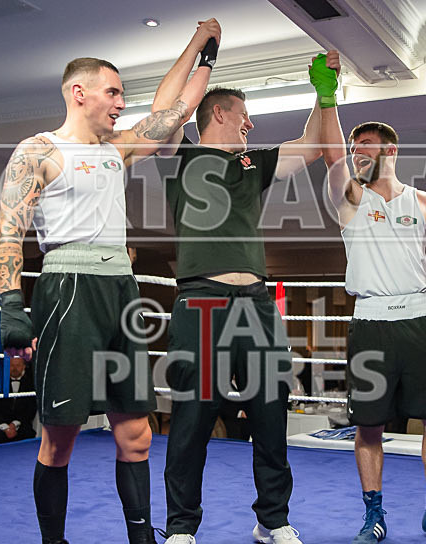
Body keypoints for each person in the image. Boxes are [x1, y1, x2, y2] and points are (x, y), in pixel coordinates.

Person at [0, 20, 219, 544]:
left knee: (137, 433)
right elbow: (10, 231)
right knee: (60, 437)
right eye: (113, 91)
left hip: (121, 289)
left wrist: (202, 50)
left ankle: (141, 538)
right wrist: (10, 301)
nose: (121, 102)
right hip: (66, 289)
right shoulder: (38, 151)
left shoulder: (117, 148)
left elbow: (176, 111)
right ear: (79, 92)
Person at [316, 51, 426, 544]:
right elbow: (329, 153)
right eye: (354, 147)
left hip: (419, 320)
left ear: (390, 151)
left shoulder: (425, 202)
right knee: (368, 426)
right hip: (369, 323)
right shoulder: (349, 200)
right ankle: (374, 514)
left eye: (366, 146)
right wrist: (328, 95)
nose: (357, 154)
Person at [155, 62, 324, 544]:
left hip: (255, 301)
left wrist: (324, 91)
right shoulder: (182, 156)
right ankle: (182, 527)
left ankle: (272, 519)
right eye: (244, 115)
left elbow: (312, 145)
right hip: (201, 298)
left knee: (272, 411)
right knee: (193, 416)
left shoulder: (255, 164)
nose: (251, 124)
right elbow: (163, 111)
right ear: (219, 113)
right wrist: (202, 56)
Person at [0, 356, 36, 444]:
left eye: (18, 365)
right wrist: (6, 428)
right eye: (12, 365)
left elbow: (31, 408)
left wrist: (14, 424)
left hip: (23, 427)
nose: (15, 368)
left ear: (23, 366)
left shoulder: (31, 384)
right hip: (0, 428)